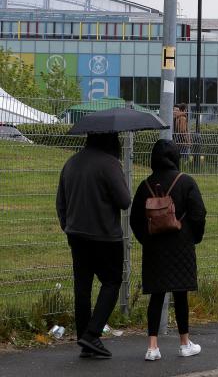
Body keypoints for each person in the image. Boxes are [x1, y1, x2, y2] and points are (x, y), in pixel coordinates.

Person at [55, 132, 131, 358]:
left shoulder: (71, 163)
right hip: (105, 236)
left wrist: (67, 225)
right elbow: (125, 201)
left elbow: (61, 201)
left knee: (83, 288)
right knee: (112, 282)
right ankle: (92, 333)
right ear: (110, 140)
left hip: (76, 235)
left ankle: (84, 338)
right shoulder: (110, 164)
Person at [130, 139, 207, 361]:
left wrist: (146, 238)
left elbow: (135, 219)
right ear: (175, 157)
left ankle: (152, 346)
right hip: (181, 246)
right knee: (180, 294)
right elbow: (198, 213)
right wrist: (193, 237)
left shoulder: (145, 185)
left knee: (157, 294)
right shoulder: (186, 182)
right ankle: (184, 342)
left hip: (155, 247)